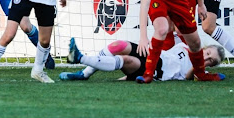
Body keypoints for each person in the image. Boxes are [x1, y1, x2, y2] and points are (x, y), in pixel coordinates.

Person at [60, 37, 225, 82]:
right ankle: (84, 74)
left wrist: (201, 66)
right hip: (153, 54)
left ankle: (81, 58)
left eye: (212, 61)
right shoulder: (184, 44)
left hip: (155, 71)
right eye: (209, 53)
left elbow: (191, 76)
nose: (207, 58)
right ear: (205, 48)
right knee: (118, 45)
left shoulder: (200, 71)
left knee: (124, 60)